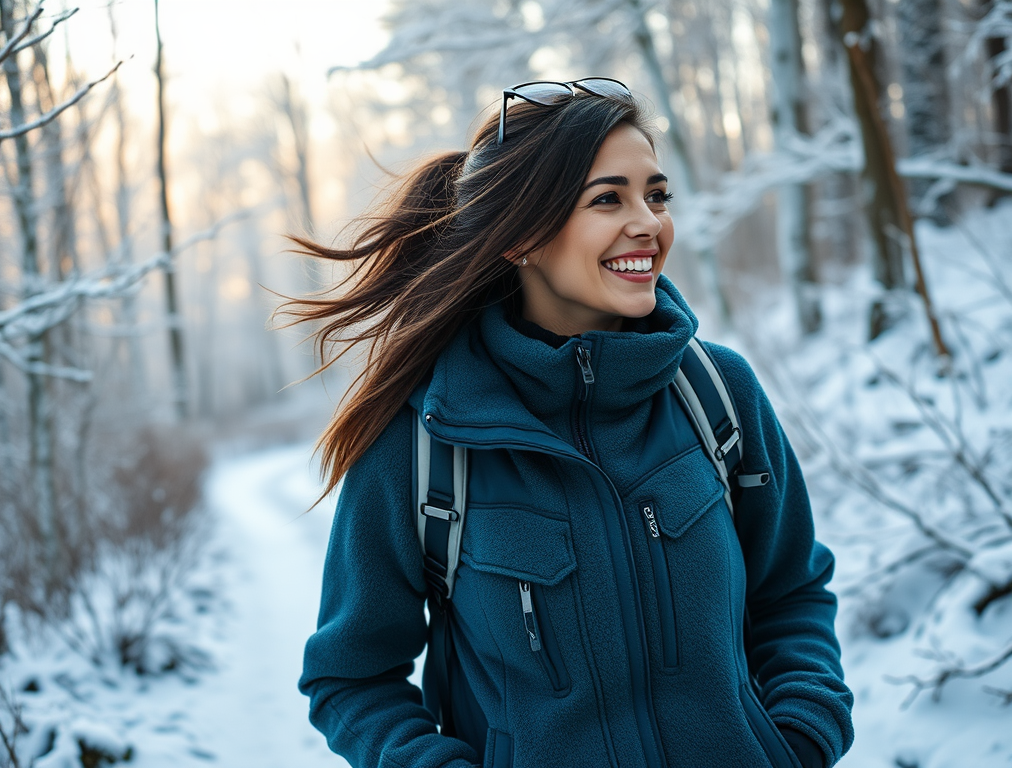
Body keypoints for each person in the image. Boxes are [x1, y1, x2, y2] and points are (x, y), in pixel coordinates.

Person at [283, 78, 854, 768]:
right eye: (607, 198)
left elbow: (789, 589)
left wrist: (802, 734)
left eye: (657, 195)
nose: (648, 222)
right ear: (521, 233)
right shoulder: (424, 440)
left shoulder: (717, 393)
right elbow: (349, 676)